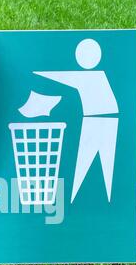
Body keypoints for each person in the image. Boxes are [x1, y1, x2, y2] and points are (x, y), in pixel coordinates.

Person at [35, 38, 119, 202]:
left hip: (100, 121)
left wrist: (41, 73)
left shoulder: (93, 77)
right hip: (101, 119)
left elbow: (66, 77)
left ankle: (104, 201)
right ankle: (81, 199)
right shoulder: (97, 76)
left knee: (94, 164)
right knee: (89, 164)